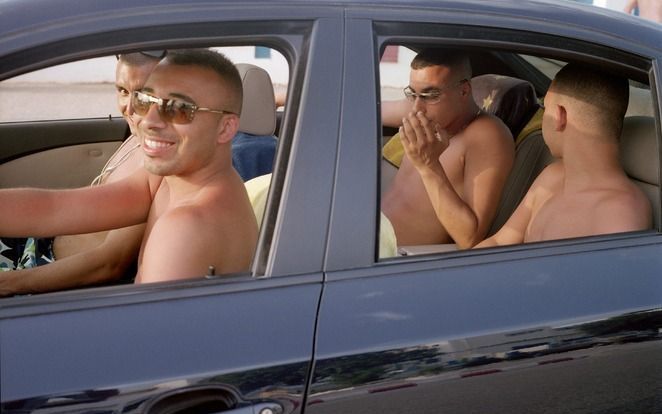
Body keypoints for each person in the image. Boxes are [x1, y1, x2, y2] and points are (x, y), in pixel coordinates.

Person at [0, 48, 257, 287]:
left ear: (225, 127)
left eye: (179, 108)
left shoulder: (186, 227)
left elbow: (143, 332)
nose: (148, 120)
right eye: (148, 100)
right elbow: (55, 208)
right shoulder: (168, 179)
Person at [0, 52, 163, 296]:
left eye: (143, 94)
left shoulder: (159, 165)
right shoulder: (135, 139)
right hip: (37, 246)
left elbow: (109, 264)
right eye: (122, 91)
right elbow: (55, 207)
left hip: (45, 271)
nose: (128, 108)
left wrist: (9, 283)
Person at [475, 63, 651, 248]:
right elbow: (499, 241)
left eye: (545, 107)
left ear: (560, 116)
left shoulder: (620, 215)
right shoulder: (551, 177)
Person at [381, 48, 514, 249]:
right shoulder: (421, 110)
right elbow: (363, 109)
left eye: (431, 94)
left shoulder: (486, 135)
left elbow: (470, 239)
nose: (417, 108)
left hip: (397, 260)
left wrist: (429, 166)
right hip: (368, 235)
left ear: (464, 91)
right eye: (412, 94)